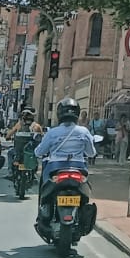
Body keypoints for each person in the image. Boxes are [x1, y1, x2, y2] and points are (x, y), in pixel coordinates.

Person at [34, 99, 96, 231]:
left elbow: (40, 151)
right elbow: (91, 153)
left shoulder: (52, 132)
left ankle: (43, 212)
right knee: (85, 196)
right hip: (79, 168)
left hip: (55, 167)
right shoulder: (84, 132)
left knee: (45, 190)